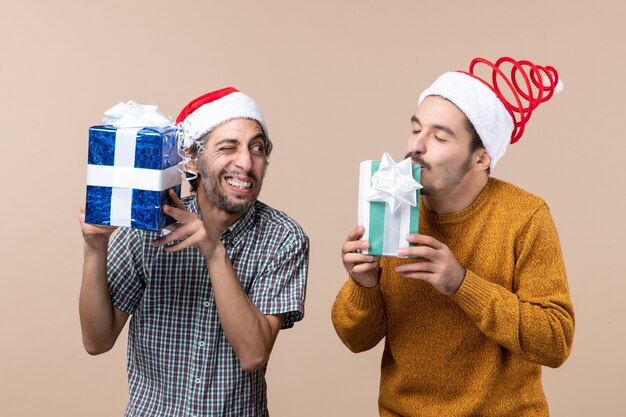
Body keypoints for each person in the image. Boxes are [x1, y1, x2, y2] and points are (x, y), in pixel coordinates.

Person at [331, 57, 574, 416]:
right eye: (416, 129)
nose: (417, 145)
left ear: (480, 158)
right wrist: (363, 285)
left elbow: (555, 341)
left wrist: (461, 284)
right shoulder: (391, 208)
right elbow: (355, 339)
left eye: (439, 136)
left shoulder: (525, 216)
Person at [79, 87, 309, 416]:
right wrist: (94, 247)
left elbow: (254, 354)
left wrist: (213, 251)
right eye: (228, 147)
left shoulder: (283, 238)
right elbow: (96, 341)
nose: (245, 162)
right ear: (192, 159)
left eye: (256, 148)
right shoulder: (148, 227)